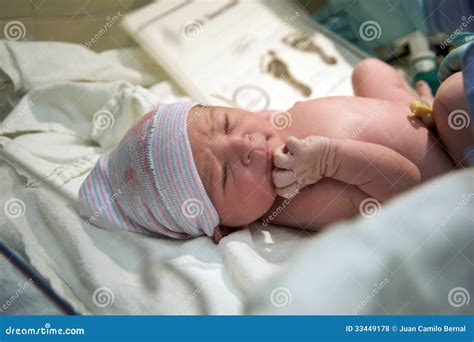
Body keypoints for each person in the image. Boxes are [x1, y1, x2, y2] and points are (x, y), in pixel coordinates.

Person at [79, 58, 467, 243]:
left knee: (368, 70)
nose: (243, 144)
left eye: (227, 124)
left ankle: (426, 103)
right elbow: (406, 187)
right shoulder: (293, 199)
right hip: (453, 161)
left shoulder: (262, 132)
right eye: (227, 173)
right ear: (224, 227)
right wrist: (331, 158)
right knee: (455, 97)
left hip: (419, 122)